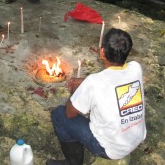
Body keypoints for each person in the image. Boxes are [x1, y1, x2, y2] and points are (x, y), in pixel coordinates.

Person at [46, 28, 146, 165]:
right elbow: (112, 80)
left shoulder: (94, 83)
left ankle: (72, 162)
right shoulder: (136, 68)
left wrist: (77, 91)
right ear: (128, 50)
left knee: (59, 114)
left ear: (102, 52)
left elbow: (70, 113)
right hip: (135, 137)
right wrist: (84, 82)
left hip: (110, 149)